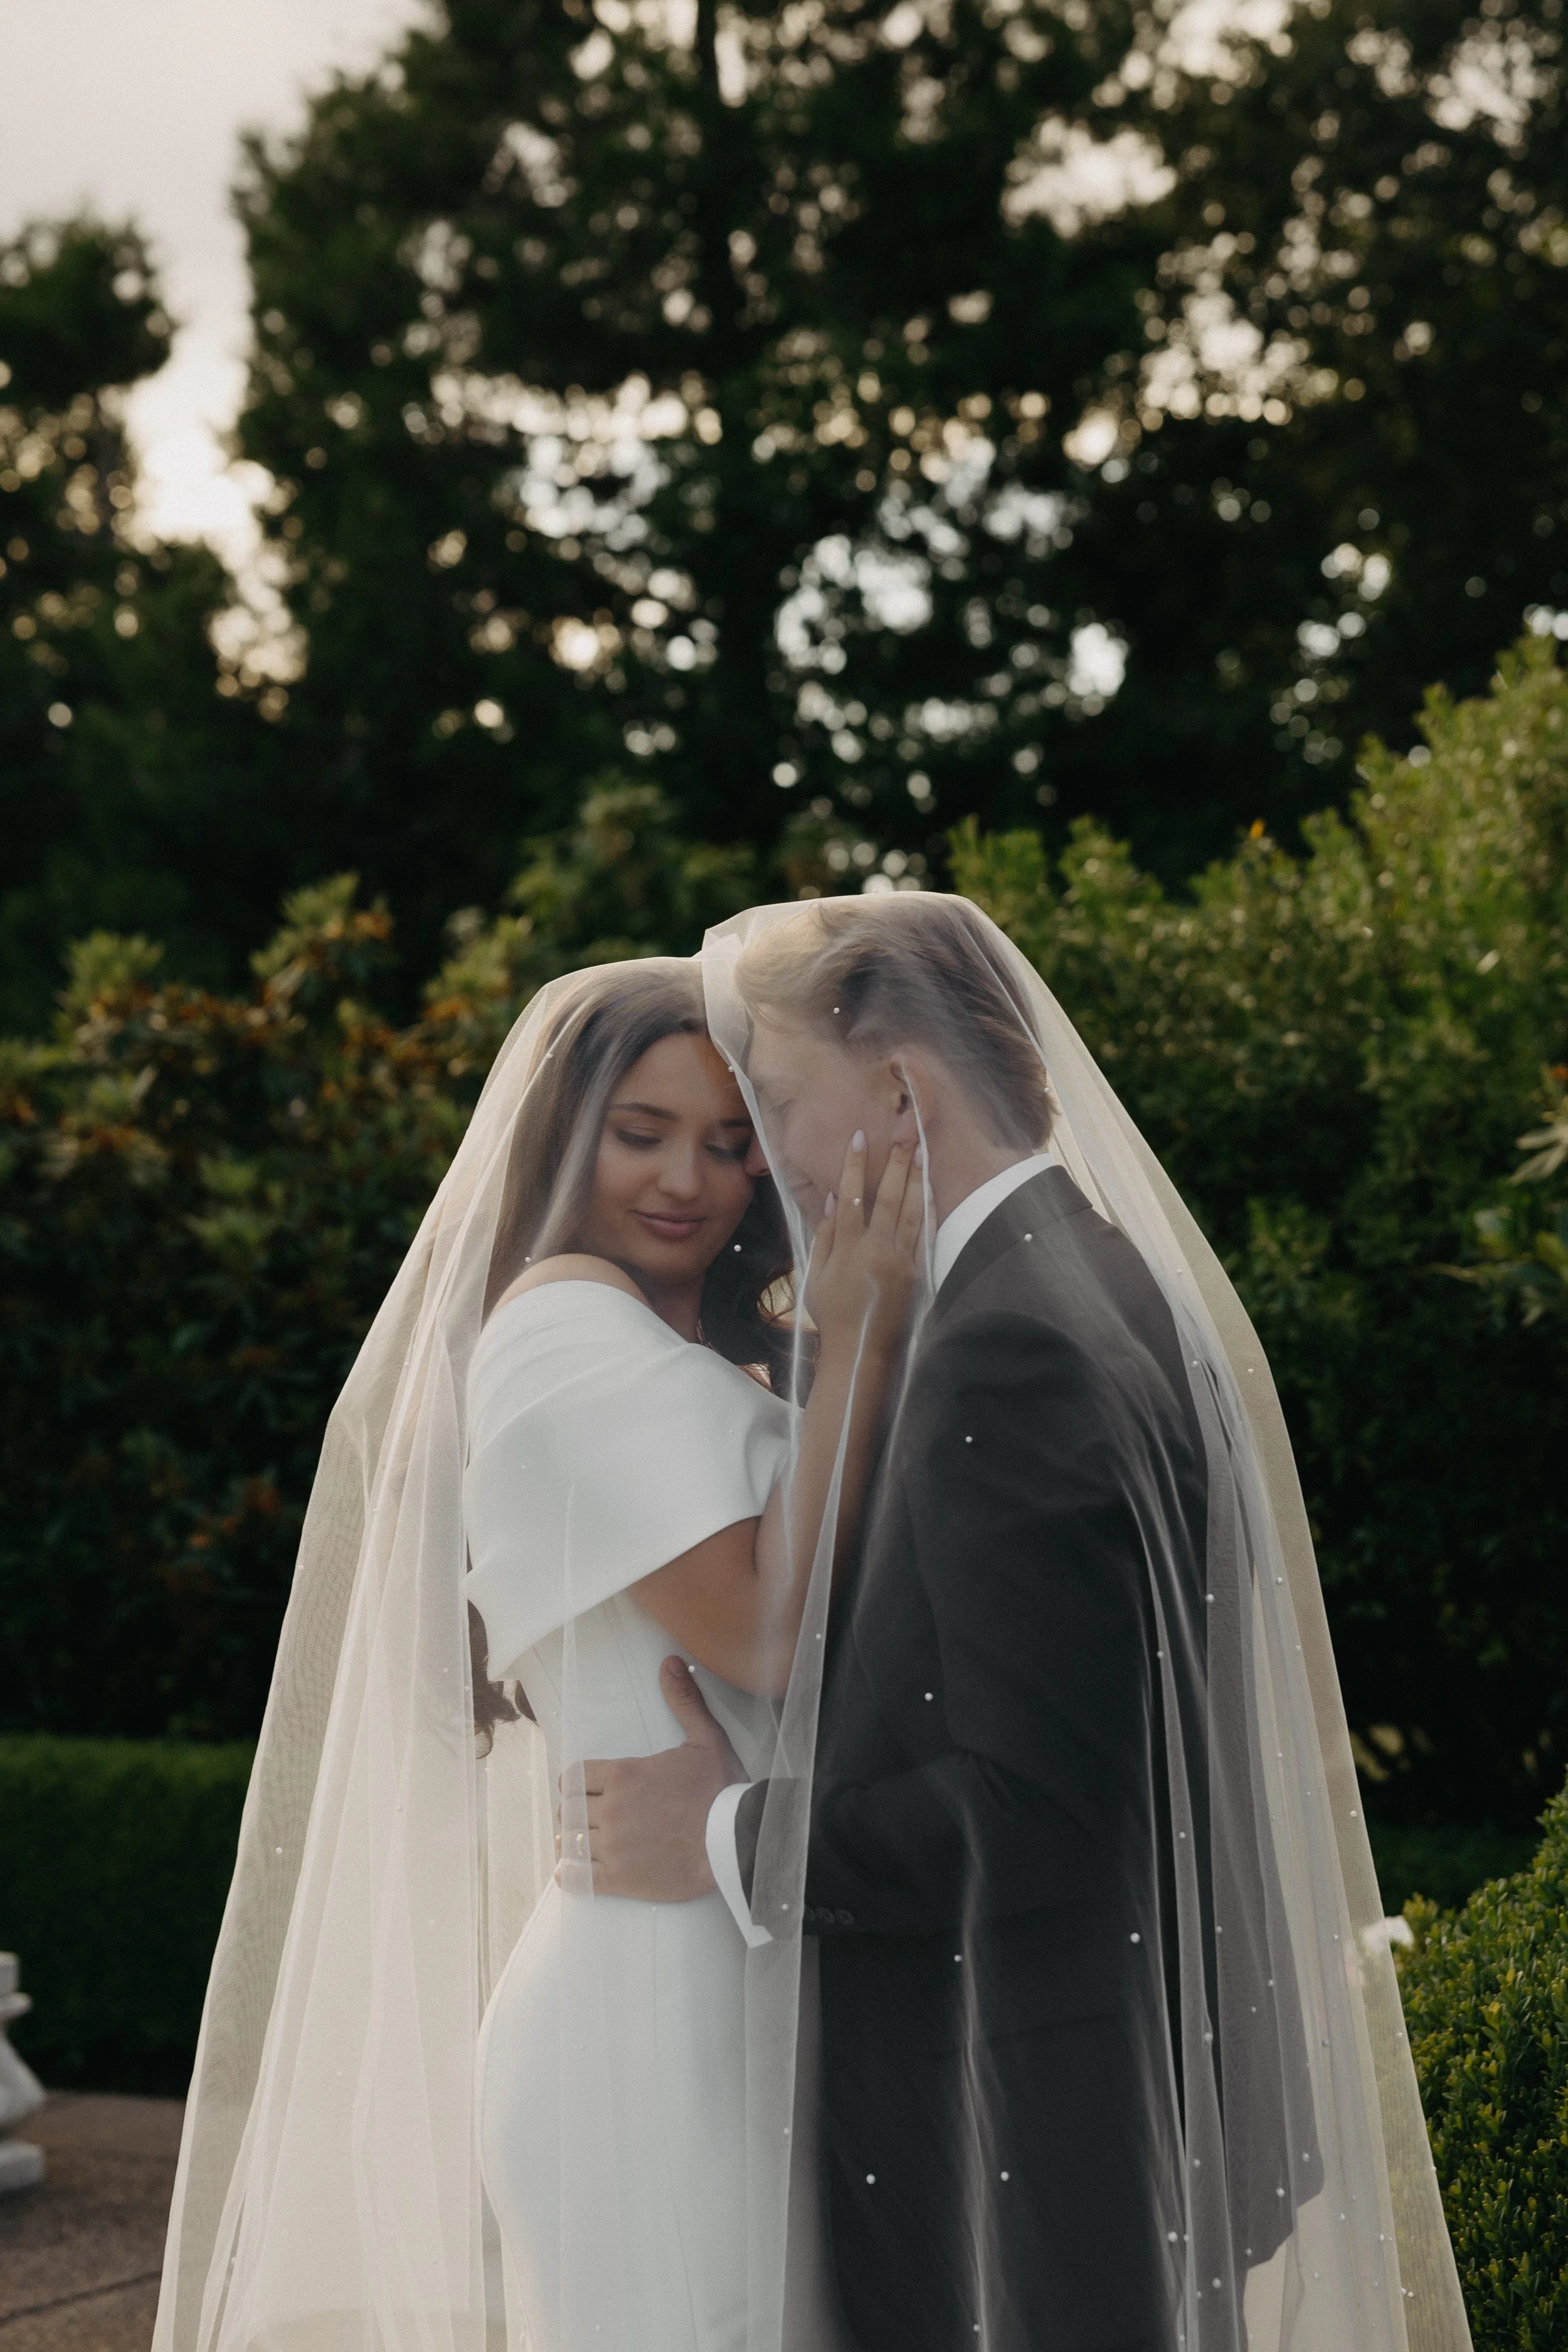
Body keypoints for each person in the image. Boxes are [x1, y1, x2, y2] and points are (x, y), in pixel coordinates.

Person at [580, 894, 1475, 2352]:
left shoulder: (1007, 1348)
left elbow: (1036, 1809)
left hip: (1015, 2124)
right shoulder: (1087, 1273)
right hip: (1081, 2087)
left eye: (787, 1101)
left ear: (899, 1089)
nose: (777, 1158)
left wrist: (723, 1834)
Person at [151, 958, 918, 2352]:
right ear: (562, 1136)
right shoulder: (567, 1330)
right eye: (640, 1132)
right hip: (647, 2006)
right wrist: (860, 1335)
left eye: (730, 1141)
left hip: (715, 1945)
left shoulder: (678, 1346)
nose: (687, 1178)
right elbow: (758, 1632)